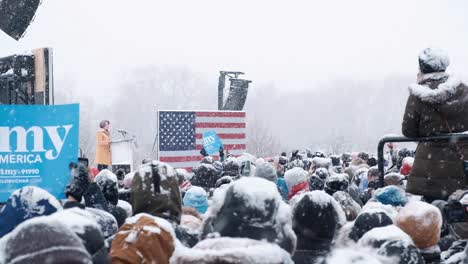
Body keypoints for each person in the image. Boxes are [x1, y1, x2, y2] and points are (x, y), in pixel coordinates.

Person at [402, 47, 468, 201]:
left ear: (422, 67)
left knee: (431, 217)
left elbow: (408, 130)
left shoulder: (418, 95)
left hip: (429, 170)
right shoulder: (464, 91)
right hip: (460, 163)